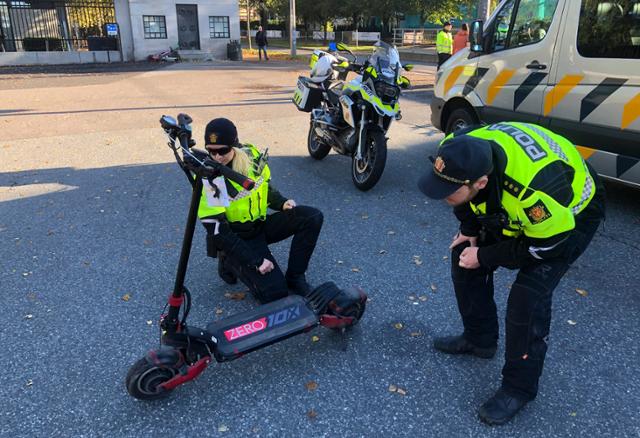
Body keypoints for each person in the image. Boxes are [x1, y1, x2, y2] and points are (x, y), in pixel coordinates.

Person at [417, 122, 605, 425]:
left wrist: (486, 255)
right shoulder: (457, 147)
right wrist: (470, 232)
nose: (442, 196)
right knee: (463, 256)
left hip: (567, 217)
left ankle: (519, 388)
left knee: (527, 299)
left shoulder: (535, 191)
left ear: (480, 182)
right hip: (512, 199)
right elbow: (462, 201)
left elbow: (545, 247)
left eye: (449, 191)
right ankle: (480, 340)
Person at [197, 118, 323, 303]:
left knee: (312, 217)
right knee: (275, 293)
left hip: (259, 226)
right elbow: (218, 231)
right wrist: (254, 261)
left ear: (235, 145)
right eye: (211, 151)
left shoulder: (253, 156)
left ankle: (296, 278)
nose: (217, 157)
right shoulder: (211, 178)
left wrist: (281, 203)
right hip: (237, 237)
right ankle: (229, 260)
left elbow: (264, 187)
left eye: (222, 150)